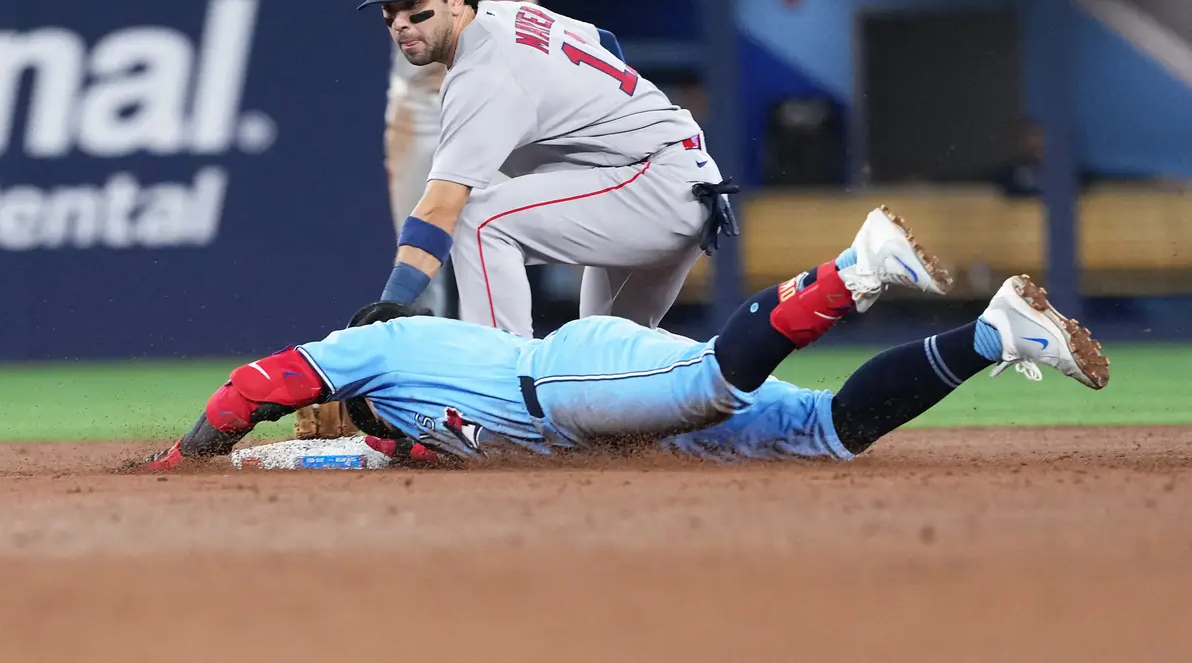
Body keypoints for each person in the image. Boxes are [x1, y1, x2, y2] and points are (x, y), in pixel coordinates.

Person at [129, 208, 1108, 472]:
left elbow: (253, 386)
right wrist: (272, 468)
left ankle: (856, 267)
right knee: (826, 432)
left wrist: (189, 458)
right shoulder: (402, 431)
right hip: (595, 417)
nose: (324, 414)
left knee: (711, 385)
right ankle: (991, 336)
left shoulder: (373, 349)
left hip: (569, 380)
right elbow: (339, 457)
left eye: (325, 404)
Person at [360, 0, 739, 339]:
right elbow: (606, 44)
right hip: (665, 180)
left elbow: (441, 208)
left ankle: (499, 382)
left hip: (655, 183)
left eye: (415, 6)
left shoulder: (483, 72)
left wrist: (395, 301)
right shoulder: (510, 14)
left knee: (480, 220)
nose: (401, 23)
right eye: (389, 10)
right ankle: (737, 390)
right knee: (601, 359)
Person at [382, 0, 540, 319]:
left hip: (496, 100)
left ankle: (496, 345)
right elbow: (401, 21)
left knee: (494, 230)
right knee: (419, 235)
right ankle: (424, 361)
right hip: (424, 105)